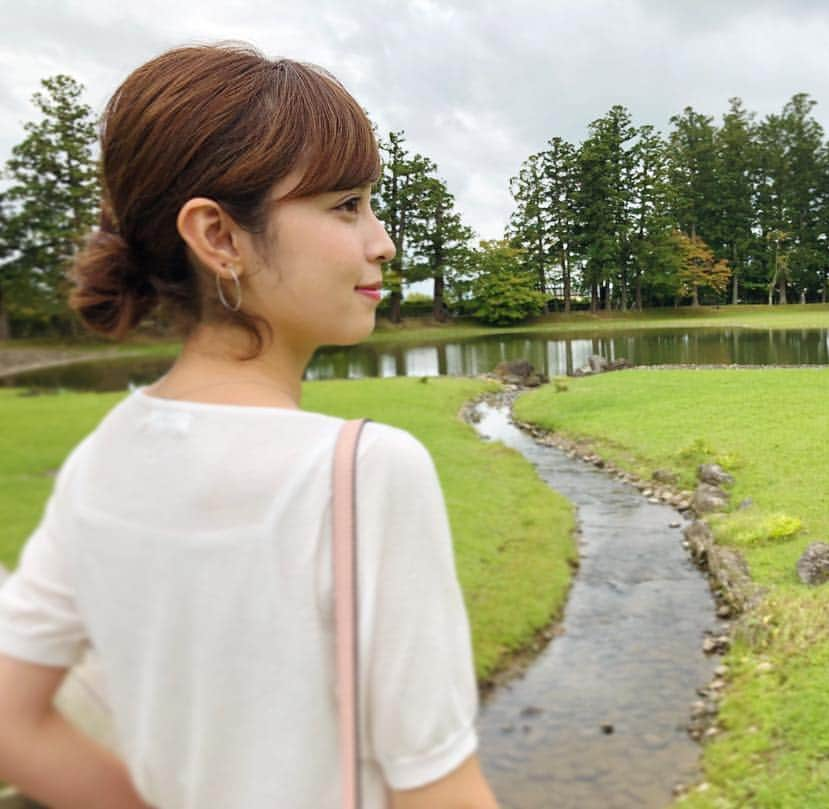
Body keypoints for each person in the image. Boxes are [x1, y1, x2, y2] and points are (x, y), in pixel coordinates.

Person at [0, 43, 498, 809]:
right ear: (220, 237)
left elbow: (14, 719)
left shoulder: (102, 458)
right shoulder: (363, 471)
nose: (382, 241)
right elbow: (441, 793)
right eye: (345, 206)